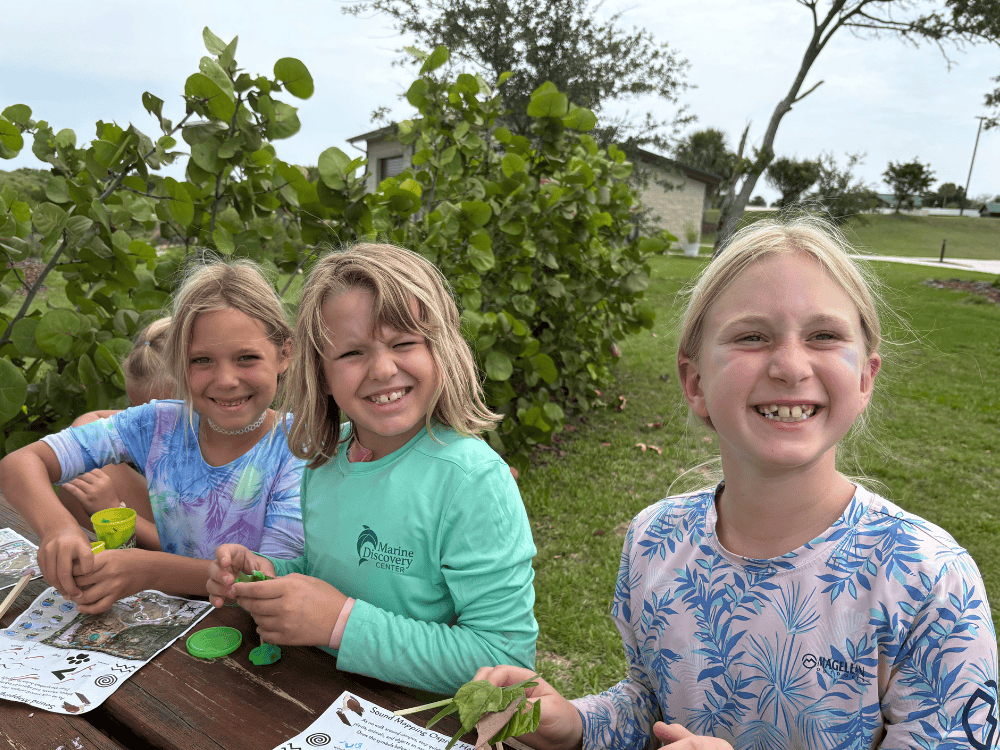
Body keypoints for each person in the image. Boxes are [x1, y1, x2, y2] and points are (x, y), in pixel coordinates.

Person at [474, 217, 998, 749]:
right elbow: (652, 704)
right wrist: (579, 725)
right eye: (752, 336)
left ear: (864, 378)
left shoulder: (930, 582)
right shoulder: (655, 540)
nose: (791, 366)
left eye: (824, 336)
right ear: (695, 383)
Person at [207, 243, 538, 695]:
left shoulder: (471, 480)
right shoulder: (325, 460)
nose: (383, 369)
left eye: (404, 343)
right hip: (320, 696)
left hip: (421, 719)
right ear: (320, 371)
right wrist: (271, 576)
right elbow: (334, 572)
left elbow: (506, 660)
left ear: (442, 350)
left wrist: (340, 624)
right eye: (351, 354)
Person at [0, 259, 305, 614]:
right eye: (202, 360)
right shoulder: (158, 424)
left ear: (284, 353)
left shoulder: (299, 447)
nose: (225, 380)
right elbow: (20, 463)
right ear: (178, 360)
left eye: (246, 358)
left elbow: (267, 580)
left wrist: (149, 570)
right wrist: (59, 529)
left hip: (254, 641)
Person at [57, 317, 175, 549]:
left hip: (194, 557)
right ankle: (92, 550)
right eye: (138, 411)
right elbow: (88, 423)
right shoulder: (161, 418)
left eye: (155, 414)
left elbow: (189, 550)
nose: (146, 422)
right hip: (165, 515)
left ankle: (120, 560)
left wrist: (114, 510)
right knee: (80, 469)